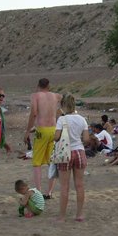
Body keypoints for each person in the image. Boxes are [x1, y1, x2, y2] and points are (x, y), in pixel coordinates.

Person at [24, 78, 62, 200]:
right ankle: (49, 192)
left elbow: (34, 113)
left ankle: (39, 192)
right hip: (54, 129)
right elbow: (64, 103)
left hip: (42, 129)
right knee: (51, 162)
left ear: (38, 85)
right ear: (49, 86)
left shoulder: (35, 96)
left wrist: (27, 131)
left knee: (37, 162)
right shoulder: (56, 96)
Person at [54, 93, 90, 222]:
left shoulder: (62, 120)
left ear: (63, 105)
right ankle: (79, 214)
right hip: (79, 151)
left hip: (65, 153)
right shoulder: (82, 119)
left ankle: (62, 216)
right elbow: (86, 139)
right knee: (79, 185)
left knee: (64, 186)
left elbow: (56, 137)